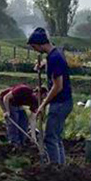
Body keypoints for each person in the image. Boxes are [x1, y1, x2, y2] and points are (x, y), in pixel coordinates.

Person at [27, 27, 73, 165]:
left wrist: (42, 105)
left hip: (60, 103)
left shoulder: (54, 58)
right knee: (56, 137)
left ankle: (54, 169)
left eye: (34, 47)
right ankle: (61, 168)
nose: (35, 50)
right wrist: (43, 65)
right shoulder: (56, 53)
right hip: (65, 102)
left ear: (40, 44)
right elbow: (53, 64)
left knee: (50, 138)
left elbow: (57, 87)